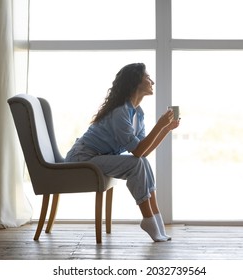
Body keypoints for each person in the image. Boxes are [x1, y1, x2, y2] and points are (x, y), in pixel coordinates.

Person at [65, 63, 180, 242]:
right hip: (81, 159)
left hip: (98, 157)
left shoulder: (138, 114)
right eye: (148, 77)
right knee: (136, 164)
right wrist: (160, 125)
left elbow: (143, 152)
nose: (152, 81)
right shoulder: (120, 113)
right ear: (135, 81)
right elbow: (138, 151)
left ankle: (155, 220)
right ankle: (149, 220)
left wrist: (165, 128)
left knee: (142, 162)